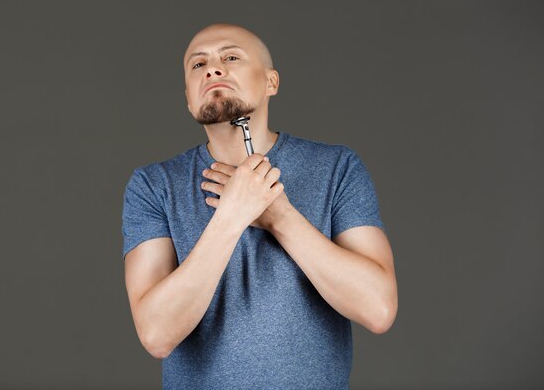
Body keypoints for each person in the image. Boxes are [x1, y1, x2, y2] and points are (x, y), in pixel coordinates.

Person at [121, 22, 398, 389]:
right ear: (189, 99)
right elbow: (156, 334)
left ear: (271, 82)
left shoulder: (337, 168)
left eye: (231, 57)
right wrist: (233, 215)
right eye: (197, 65)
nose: (213, 69)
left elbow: (378, 309)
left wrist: (278, 215)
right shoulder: (153, 186)